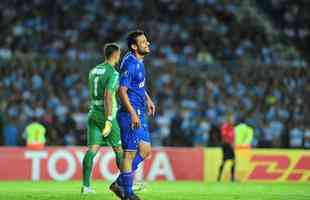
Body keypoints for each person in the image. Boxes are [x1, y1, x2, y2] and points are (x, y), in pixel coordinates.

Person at [116, 30, 155, 200]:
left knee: (145, 150)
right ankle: (128, 193)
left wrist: (148, 99)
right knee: (129, 154)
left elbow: (138, 85)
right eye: (143, 42)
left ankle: (120, 182)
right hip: (129, 113)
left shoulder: (140, 61)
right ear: (134, 46)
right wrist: (132, 113)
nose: (147, 43)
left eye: (147, 41)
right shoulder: (130, 63)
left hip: (140, 111)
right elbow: (122, 90)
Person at [81, 43, 123, 197]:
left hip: (92, 112)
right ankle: (126, 183)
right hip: (105, 115)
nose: (120, 56)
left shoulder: (93, 70)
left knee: (92, 150)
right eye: (119, 54)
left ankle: (86, 186)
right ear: (115, 55)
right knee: (119, 150)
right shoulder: (113, 72)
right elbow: (107, 95)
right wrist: (109, 119)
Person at [217, 114, 236, 182]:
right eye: (232, 120)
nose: (233, 121)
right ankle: (219, 177)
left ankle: (232, 178)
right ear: (229, 120)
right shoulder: (225, 127)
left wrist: (233, 144)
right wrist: (230, 143)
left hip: (230, 146)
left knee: (234, 161)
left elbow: (233, 137)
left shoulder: (232, 128)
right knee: (224, 161)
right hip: (226, 146)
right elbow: (224, 137)